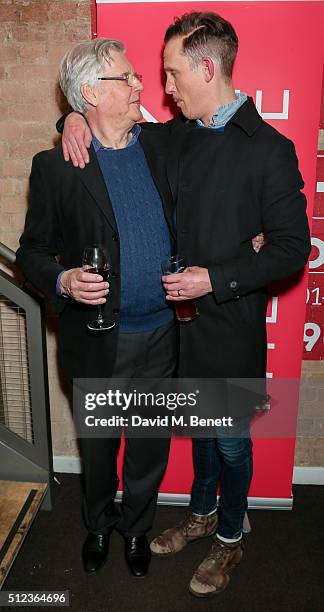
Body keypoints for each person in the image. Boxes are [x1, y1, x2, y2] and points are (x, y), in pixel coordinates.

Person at [57, 12, 311, 598]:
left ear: (206, 67)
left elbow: (293, 248)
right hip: (175, 334)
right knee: (198, 432)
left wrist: (215, 279)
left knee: (228, 438)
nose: (163, 89)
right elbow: (107, 122)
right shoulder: (176, 133)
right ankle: (200, 516)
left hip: (227, 326)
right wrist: (70, 117)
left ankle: (229, 537)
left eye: (172, 75)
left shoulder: (269, 148)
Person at [16, 38, 178, 579]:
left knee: (150, 445)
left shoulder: (161, 145)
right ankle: (98, 525)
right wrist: (61, 279)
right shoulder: (57, 167)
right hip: (98, 336)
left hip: (163, 333)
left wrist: (70, 119)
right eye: (127, 78)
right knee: (101, 445)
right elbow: (32, 253)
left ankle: (137, 528)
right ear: (90, 92)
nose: (140, 86)